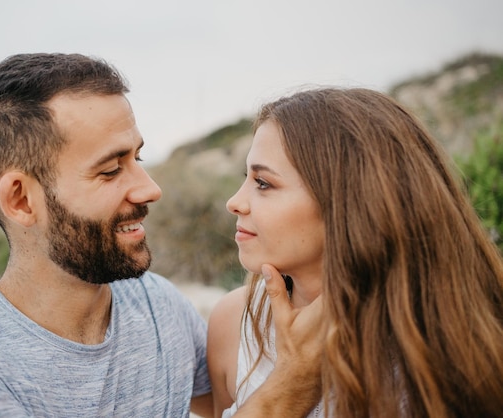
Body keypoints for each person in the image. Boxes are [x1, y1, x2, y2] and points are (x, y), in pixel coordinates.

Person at [0, 52, 214, 417]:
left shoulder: (159, 306)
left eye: (138, 159)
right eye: (111, 169)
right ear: (21, 200)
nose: (150, 189)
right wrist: (278, 392)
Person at [207, 87, 503, 418]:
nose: (234, 202)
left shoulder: (465, 341)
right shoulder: (235, 324)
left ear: (349, 202)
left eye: (263, 183)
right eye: (246, 178)